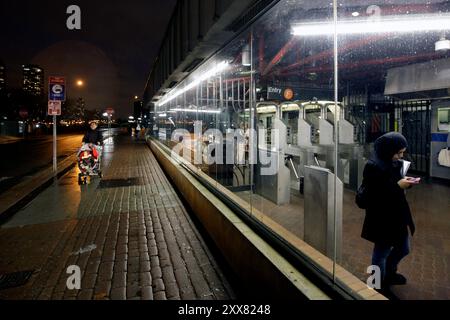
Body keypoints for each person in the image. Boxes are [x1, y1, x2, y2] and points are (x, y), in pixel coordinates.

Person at [361, 132, 418, 291]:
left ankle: (389, 273)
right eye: (398, 152)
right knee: (381, 253)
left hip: (397, 216)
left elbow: (395, 183)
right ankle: (376, 284)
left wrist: (406, 182)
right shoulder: (373, 166)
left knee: (403, 248)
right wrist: (399, 186)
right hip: (382, 219)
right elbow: (374, 196)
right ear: (388, 150)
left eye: (402, 152)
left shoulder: (392, 162)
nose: (400, 156)